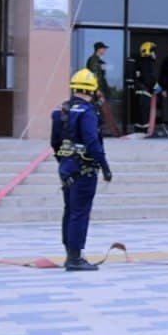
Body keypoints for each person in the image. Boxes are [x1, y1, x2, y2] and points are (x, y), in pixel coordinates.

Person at [51, 69, 113, 271]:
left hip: (67, 169)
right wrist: (105, 168)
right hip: (84, 170)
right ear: (93, 90)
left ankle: (70, 252)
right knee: (80, 213)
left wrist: (63, 161)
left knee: (69, 211)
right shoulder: (87, 112)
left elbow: (55, 143)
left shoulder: (60, 110)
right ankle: (75, 258)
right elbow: (93, 143)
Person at [84, 41, 121, 137]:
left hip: (99, 89)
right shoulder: (93, 60)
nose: (105, 50)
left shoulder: (99, 61)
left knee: (100, 110)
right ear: (99, 49)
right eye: (103, 49)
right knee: (96, 110)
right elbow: (96, 76)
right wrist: (98, 89)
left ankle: (98, 130)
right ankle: (94, 131)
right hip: (96, 90)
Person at [132, 41, 162, 135]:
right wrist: (157, 88)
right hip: (144, 91)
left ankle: (139, 130)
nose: (154, 53)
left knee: (140, 112)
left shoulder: (140, 61)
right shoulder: (147, 62)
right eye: (153, 51)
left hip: (140, 91)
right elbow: (149, 78)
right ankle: (144, 131)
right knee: (144, 112)